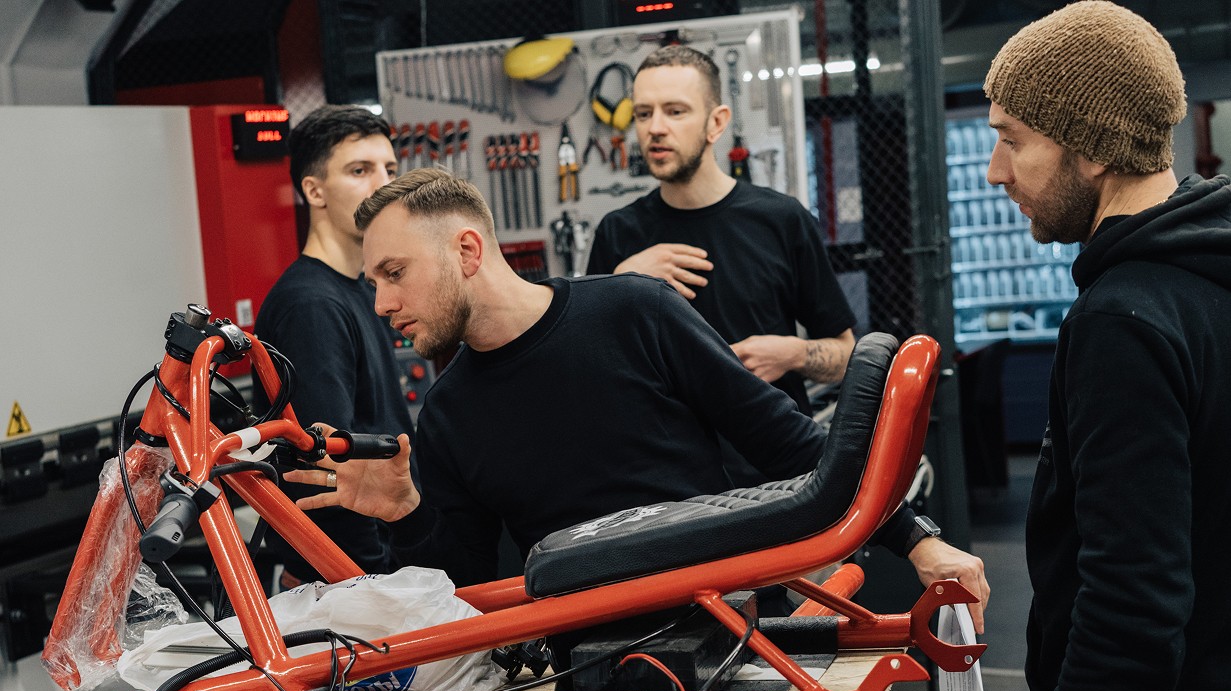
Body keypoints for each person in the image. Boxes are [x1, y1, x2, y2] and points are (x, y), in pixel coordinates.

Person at [287, 167, 990, 634]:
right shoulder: (444, 414)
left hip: (726, 628)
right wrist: (405, 512)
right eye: (372, 280)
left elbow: (790, 443)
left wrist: (920, 542)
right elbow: (464, 587)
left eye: (393, 273)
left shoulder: (634, 312)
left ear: (467, 250)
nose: (380, 303)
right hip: (583, 666)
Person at [983, 3, 1231, 691]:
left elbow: (1131, 603)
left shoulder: (1122, 322)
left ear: (1088, 149)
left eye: (1012, 138)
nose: (995, 169)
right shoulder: (1204, 278)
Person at [584, 45, 855, 439]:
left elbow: (847, 355)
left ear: (716, 123)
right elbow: (589, 366)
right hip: (666, 473)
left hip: (772, 466)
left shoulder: (780, 219)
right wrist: (622, 282)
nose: (655, 127)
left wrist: (792, 353)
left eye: (675, 111)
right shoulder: (617, 233)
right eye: (643, 113)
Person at [253, 104, 414, 585]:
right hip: (348, 583)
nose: (382, 185)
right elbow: (329, 465)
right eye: (359, 170)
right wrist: (374, 584)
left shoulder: (362, 289)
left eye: (389, 168)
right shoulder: (311, 307)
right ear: (314, 190)